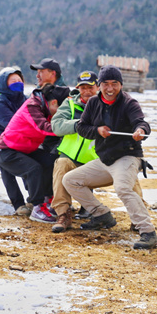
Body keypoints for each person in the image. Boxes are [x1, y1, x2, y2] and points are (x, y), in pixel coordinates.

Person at [61, 65, 157, 249]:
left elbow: (142, 122)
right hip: (105, 159)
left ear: (120, 85)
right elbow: (82, 127)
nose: (110, 88)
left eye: (115, 84)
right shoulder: (93, 103)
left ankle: (148, 232)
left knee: (122, 188)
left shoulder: (130, 103)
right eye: (105, 84)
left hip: (127, 157)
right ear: (99, 86)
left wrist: (140, 131)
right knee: (70, 180)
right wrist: (97, 130)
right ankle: (101, 215)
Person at [0, 84, 69, 222]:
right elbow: (44, 127)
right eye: (61, 109)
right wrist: (70, 127)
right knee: (34, 169)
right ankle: (37, 207)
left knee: (51, 161)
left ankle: (48, 199)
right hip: (7, 150)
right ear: (54, 103)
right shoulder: (32, 106)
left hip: (25, 149)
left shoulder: (45, 107)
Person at [49, 71, 100, 232]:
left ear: (98, 87)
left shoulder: (107, 105)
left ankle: (138, 220)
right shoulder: (70, 103)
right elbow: (56, 126)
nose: (86, 91)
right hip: (71, 157)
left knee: (129, 167)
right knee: (61, 164)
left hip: (96, 159)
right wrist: (81, 124)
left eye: (90, 87)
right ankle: (63, 215)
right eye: (83, 87)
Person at [0, 67, 29, 213]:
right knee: (6, 162)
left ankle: (35, 200)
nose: (17, 83)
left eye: (19, 80)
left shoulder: (26, 100)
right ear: (4, 83)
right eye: (13, 81)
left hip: (18, 145)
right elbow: (12, 125)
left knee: (32, 163)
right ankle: (18, 204)